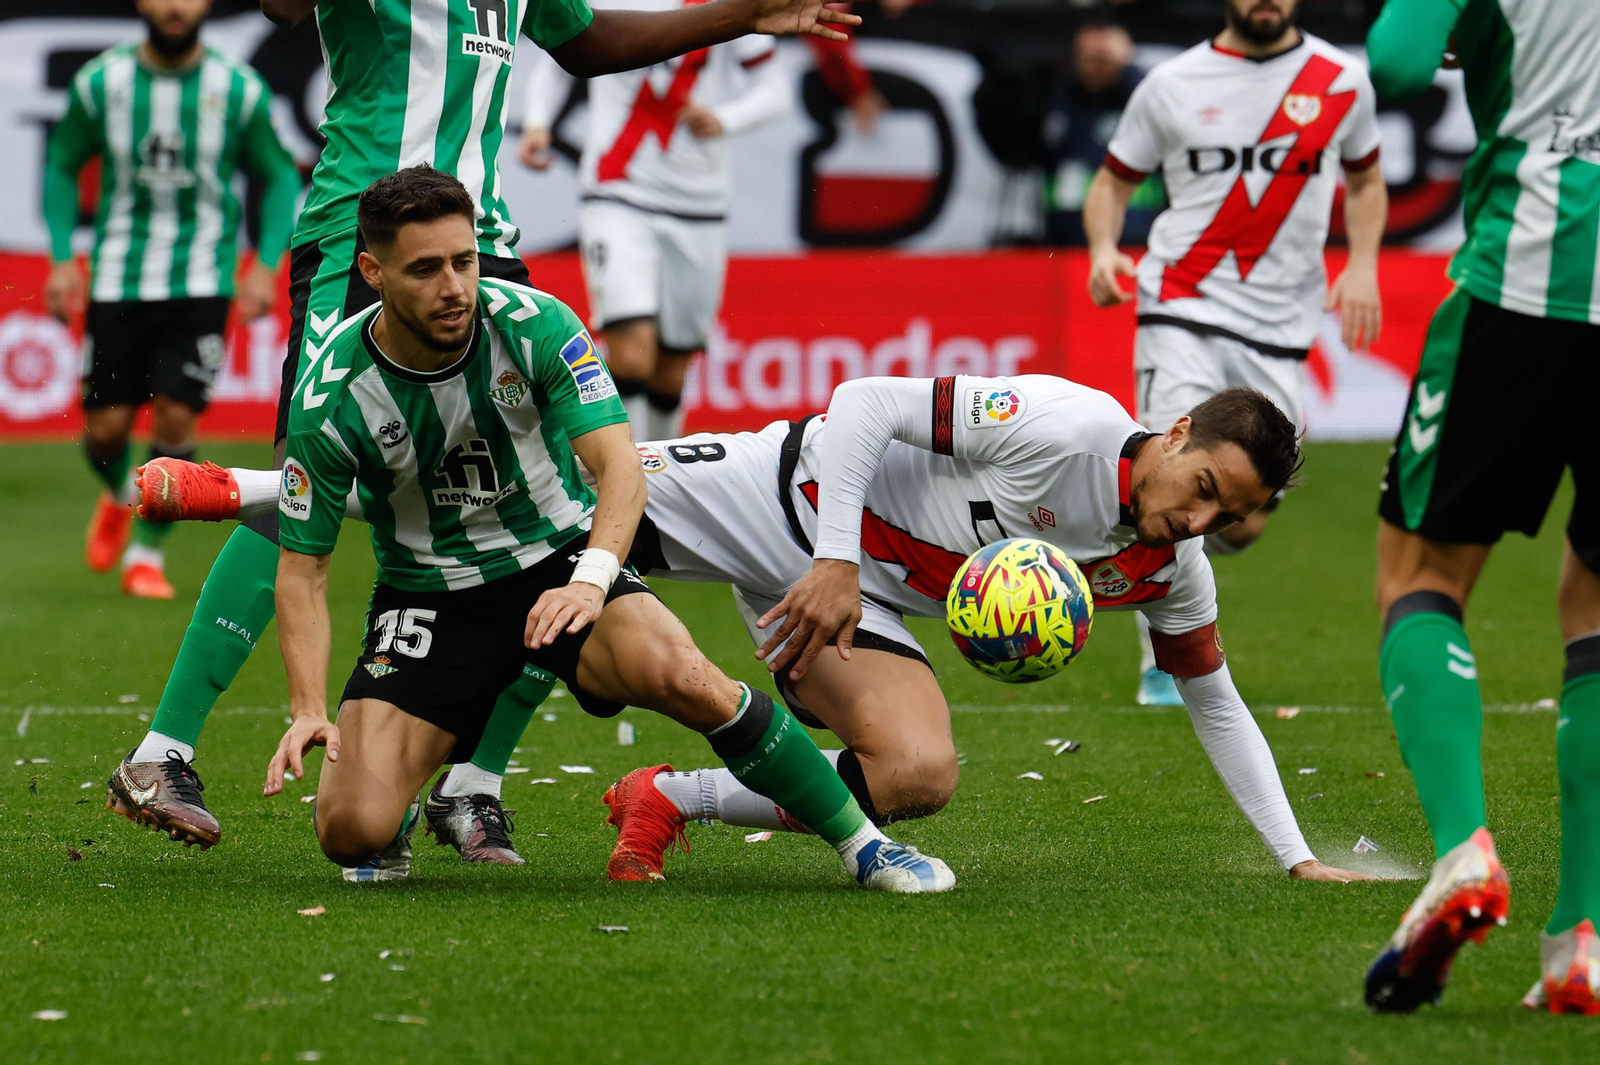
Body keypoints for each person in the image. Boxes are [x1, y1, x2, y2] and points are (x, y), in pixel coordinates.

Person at [104, 0, 867, 859]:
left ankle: (474, 779)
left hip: (478, 235)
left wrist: (740, 15)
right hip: (370, 234)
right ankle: (161, 751)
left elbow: (585, 43)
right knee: (304, 486)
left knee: (546, 502)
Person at [168, 375, 1369, 885]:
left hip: (865, 597)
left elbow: (1215, 697)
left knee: (921, 771)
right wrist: (836, 552)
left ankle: (672, 796)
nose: (1200, 512)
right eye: (1201, 480)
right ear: (1166, 434)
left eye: (1229, 510)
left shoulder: (1170, 567)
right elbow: (865, 406)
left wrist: (1293, 852)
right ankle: (255, 487)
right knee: (537, 503)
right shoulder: (1062, 421)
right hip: (779, 494)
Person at [264, 166, 953, 894]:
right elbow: (303, 570)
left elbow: (622, 468)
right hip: (430, 595)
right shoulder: (331, 391)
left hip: (557, 559)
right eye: (426, 269)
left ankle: (866, 846)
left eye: (464, 261)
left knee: (687, 676)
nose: (455, 288)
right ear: (372, 271)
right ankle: (403, 789)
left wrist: (591, 580)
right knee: (351, 833)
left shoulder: (536, 326)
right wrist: (308, 707)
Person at [1361, 0, 1600, 1016]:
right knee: (1592, 606)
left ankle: (1463, 847)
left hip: (1527, 278)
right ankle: (1578, 937)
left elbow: (1398, 63)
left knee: (1416, 572)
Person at [1082, 0, 1387, 707]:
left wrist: (1364, 262)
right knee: (1178, 475)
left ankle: (1113, 554)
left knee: (1242, 520)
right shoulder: (1172, 82)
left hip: (1279, 325)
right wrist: (1103, 246)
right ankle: (1167, 656)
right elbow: (1113, 181)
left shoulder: (1343, 80)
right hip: (1179, 305)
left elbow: (1367, 180)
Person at [43, 0, 299, 600]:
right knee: (105, 432)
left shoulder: (235, 88)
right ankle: (118, 496)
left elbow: (280, 173)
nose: (175, 6)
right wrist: (60, 257)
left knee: (178, 416)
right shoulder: (102, 82)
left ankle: (145, 555)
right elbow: (60, 164)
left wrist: (264, 265)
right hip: (118, 280)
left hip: (203, 280)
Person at [518, 0, 791, 441]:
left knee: (669, 370)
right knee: (631, 356)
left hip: (699, 204)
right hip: (616, 194)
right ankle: (621, 471)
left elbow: (776, 90)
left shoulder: (725, 5)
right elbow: (557, 60)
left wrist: (724, 118)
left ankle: (664, 474)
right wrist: (537, 123)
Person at [1041, 18, 1160, 246]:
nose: (1093, 67)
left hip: (1131, 239)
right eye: (1086, 58)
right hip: (1063, 240)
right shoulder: (1060, 101)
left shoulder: (1135, 98)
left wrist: (1127, 69)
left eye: (1103, 60)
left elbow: (1155, 108)